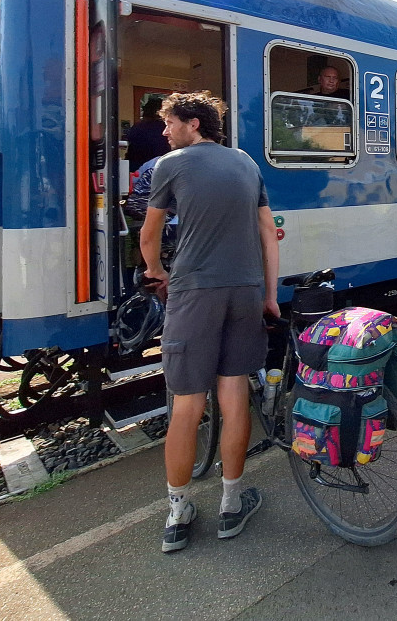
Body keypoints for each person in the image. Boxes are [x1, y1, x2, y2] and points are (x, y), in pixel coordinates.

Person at [140, 91, 281, 553]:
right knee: (235, 391)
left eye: (170, 123)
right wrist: (271, 294)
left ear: (194, 124)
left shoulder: (172, 164)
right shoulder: (246, 163)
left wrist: (157, 271)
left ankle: (179, 513)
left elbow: (149, 233)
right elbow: (268, 232)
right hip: (245, 291)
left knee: (187, 404)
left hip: (195, 291)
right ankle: (231, 504)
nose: (164, 132)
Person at [125, 93, 171, 170]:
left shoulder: (137, 127)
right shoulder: (166, 128)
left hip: (135, 167)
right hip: (159, 167)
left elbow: (129, 140)